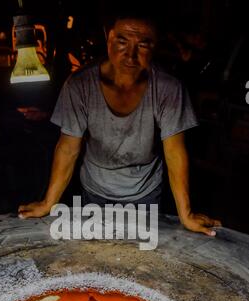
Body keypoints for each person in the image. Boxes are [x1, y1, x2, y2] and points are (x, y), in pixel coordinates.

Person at [18, 11, 221, 236]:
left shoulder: (168, 88)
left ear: (155, 47)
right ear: (109, 38)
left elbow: (174, 150)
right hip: (95, 189)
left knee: (142, 259)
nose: (131, 56)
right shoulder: (79, 85)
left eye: (143, 45)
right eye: (122, 42)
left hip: (145, 191)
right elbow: (68, 148)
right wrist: (48, 202)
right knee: (96, 255)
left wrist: (186, 214)